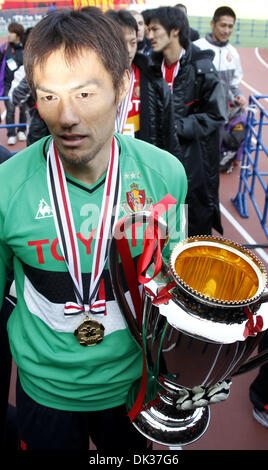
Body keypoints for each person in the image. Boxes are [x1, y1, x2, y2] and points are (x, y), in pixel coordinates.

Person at [0, 8, 187, 452]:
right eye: (49, 96)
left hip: (131, 391)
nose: (66, 116)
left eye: (84, 93)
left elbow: (173, 286)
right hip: (44, 393)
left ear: (123, 86)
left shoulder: (166, 176)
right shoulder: (7, 187)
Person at [147, 6, 226, 237]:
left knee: (194, 228)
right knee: (161, 227)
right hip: (156, 162)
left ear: (175, 31)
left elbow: (216, 115)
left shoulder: (202, 68)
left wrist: (178, 127)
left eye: (155, 29)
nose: (149, 35)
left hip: (192, 164)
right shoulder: (149, 68)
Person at [105, 9, 181, 159]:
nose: (128, 50)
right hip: (102, 165)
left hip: (139, 160)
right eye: (120, 43)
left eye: (132, 43)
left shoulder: (153, 79)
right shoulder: (89, 80)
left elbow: (168, 135)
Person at [194, 6, 246, 117]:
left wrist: (238, 95)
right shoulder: (197, 48)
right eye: (223, 25)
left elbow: (233, 85)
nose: (226, 31)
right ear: (213, 24)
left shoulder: (233, 53)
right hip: (198, 117)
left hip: (221, 117)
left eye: (230, 26)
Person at [0, 22, 27, 146]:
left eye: (12, 32)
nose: (9, 34)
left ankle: (21, 130)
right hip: (7, 84)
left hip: (21, 84)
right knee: (10, 110)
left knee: (23, 108)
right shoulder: (5, 47)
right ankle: (11, 134)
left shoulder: (25, 48)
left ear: (18, 34)